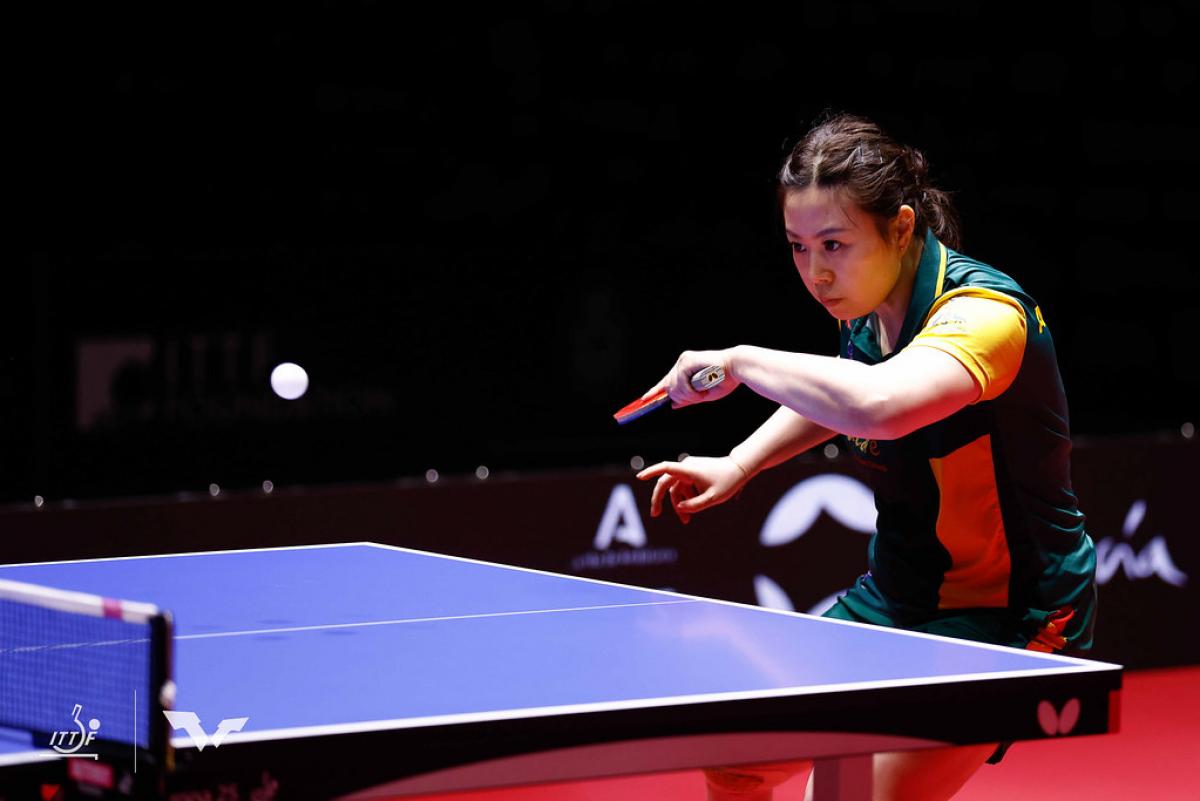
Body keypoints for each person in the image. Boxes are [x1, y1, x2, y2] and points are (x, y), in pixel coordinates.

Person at [635, 112, 1097, 801]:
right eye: (797, 246)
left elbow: (880, 402)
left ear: (903, 226)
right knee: (736, 757)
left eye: (833, 243)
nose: (816, 272)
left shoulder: (987, 315)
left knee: (846, 792)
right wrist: (739, 462)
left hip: (1013, 614)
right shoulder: (868, 307)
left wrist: (738, 361)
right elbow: (839, 391)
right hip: (900, 595)